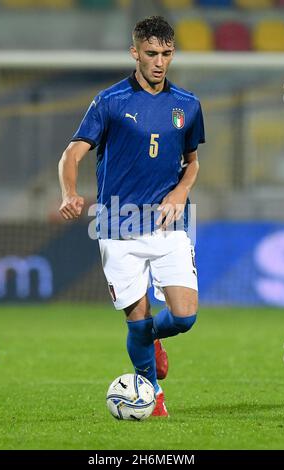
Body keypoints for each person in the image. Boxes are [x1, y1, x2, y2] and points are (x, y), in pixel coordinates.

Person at [58, 16, 205, 417]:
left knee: (185, 317)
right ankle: (152, 397)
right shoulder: (110, 101)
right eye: (152, 53)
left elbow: (192, 163)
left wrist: (181, 189)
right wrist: (70, 193)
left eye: (166, 54)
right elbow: (72, 154)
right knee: (136, 322)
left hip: (167, 223)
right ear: (135, 52)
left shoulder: (187, 105)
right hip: (116, 227)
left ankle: (152, 339)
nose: (159, 62)